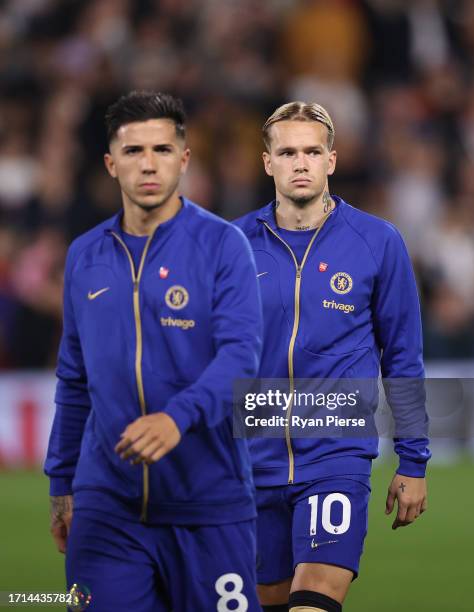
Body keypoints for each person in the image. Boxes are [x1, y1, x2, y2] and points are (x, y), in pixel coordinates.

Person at [44, 91, 263, 611]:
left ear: (184, 160)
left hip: (208, 504)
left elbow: (240, 359)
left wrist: (176, 418)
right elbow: (74, 377)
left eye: (163, 150)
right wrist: (61, 483)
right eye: (134, 151)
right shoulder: (85, 256)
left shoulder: (224, 245)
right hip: (107, 507)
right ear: (110, 163)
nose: (148, 164)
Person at [234, 102, 430, 612]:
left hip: (336, 455)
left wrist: (413, 459)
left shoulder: (378, 242)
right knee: (269, 600)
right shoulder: (231, 246)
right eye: (288, 152)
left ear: (332, 160)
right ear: (267, 163)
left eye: (312, 151)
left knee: (316, 597)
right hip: (250, 460)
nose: (301, 162)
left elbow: (403, 357)